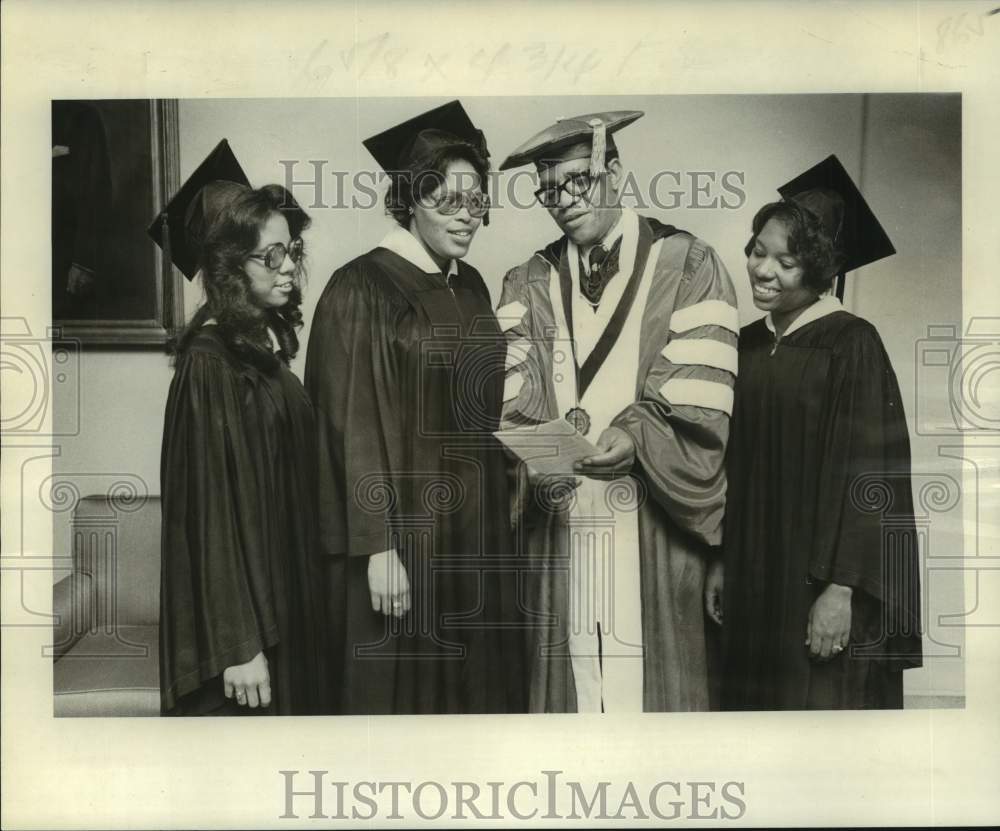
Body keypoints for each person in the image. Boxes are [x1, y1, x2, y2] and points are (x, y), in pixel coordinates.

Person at [496, 111, 739, 712]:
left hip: (651, 522)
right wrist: (548, 453)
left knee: (652, 687)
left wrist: (633, 437)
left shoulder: (689, 264)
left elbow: (697, 394)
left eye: (577, 181)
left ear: (614, 172)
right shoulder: (527, 280)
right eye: (548, 190)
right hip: (563, 520)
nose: (563, 201)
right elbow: (514, 399)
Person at [305, 101, 525, 714]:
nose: (468, 217)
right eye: (448, 200)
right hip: (406, 539)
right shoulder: (361, 289)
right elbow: (350, 426)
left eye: (477, 201)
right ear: (408, 199)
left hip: (473, 534)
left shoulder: (472, 283)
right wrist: (376, 548)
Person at [709, 154, 923, 710]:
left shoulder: (852, 343)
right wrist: (720, 561)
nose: (763, 270)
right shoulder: (745, 344)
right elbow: (725, 464)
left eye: (787, 261)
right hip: (753, 576)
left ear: (822, 268)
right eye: (758, 250)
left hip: (819, 583)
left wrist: (842, 588)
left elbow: (873, 477)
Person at [151, 140, 327, 715]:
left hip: (281, 591)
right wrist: (238, 646)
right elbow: (207, 514)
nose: (288, 269)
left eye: (290, 251)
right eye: (269, 256)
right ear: (229, 268)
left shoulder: (256, 350)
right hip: (246, 634)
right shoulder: (209, 362)